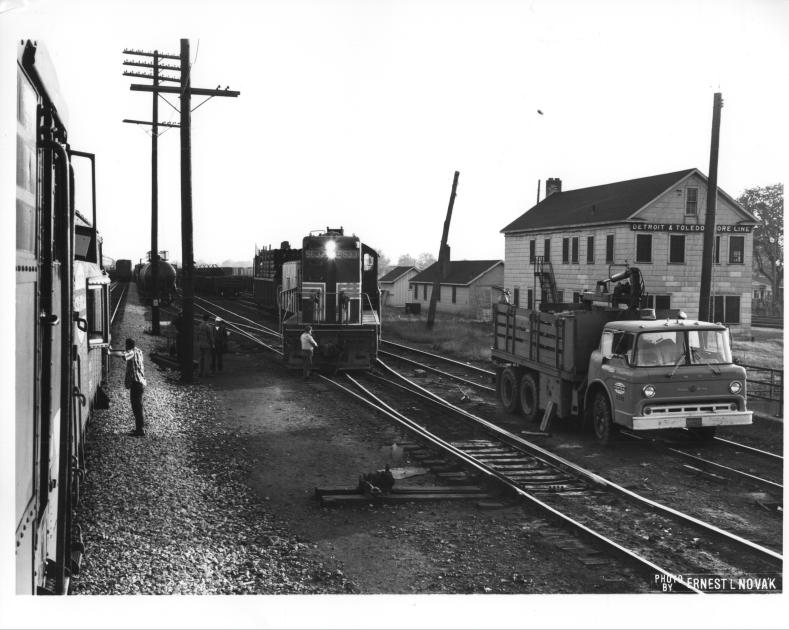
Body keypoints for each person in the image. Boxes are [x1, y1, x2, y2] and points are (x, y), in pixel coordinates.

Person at [109, 337, 147, 437]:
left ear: (128, 346)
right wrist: (113, 350)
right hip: (141, 383)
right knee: (138, 406)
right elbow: (123, 352)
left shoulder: (131, 352)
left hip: (136, 384)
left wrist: (110, 353)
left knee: (137, 407)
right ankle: (139, 429)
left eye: (126, 346)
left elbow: (123, 355)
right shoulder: (139, 351)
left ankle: (140, 430)